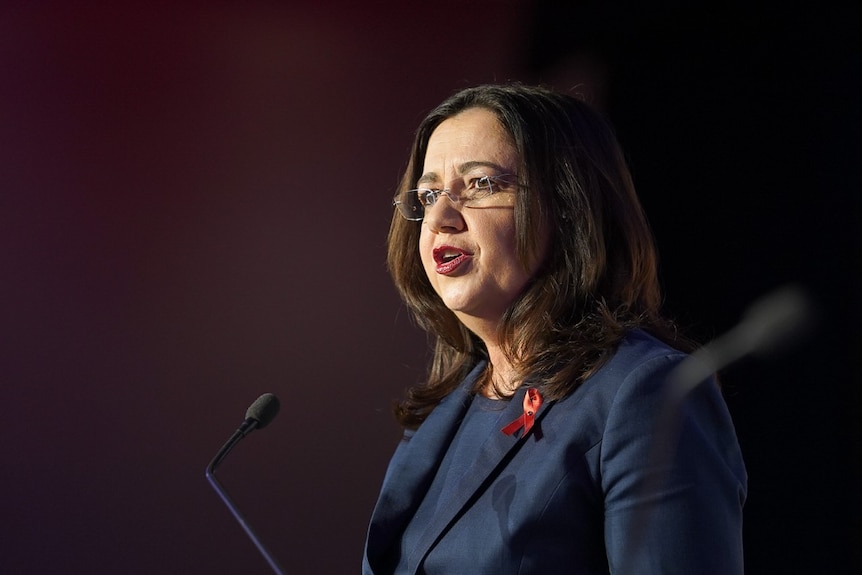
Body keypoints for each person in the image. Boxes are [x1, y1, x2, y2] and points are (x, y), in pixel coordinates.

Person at [363, 84, 747, 574]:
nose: (440, 218)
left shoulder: (645, 393)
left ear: (568, 207)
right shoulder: (438, 416)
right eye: (430, 193)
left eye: (481, 184)